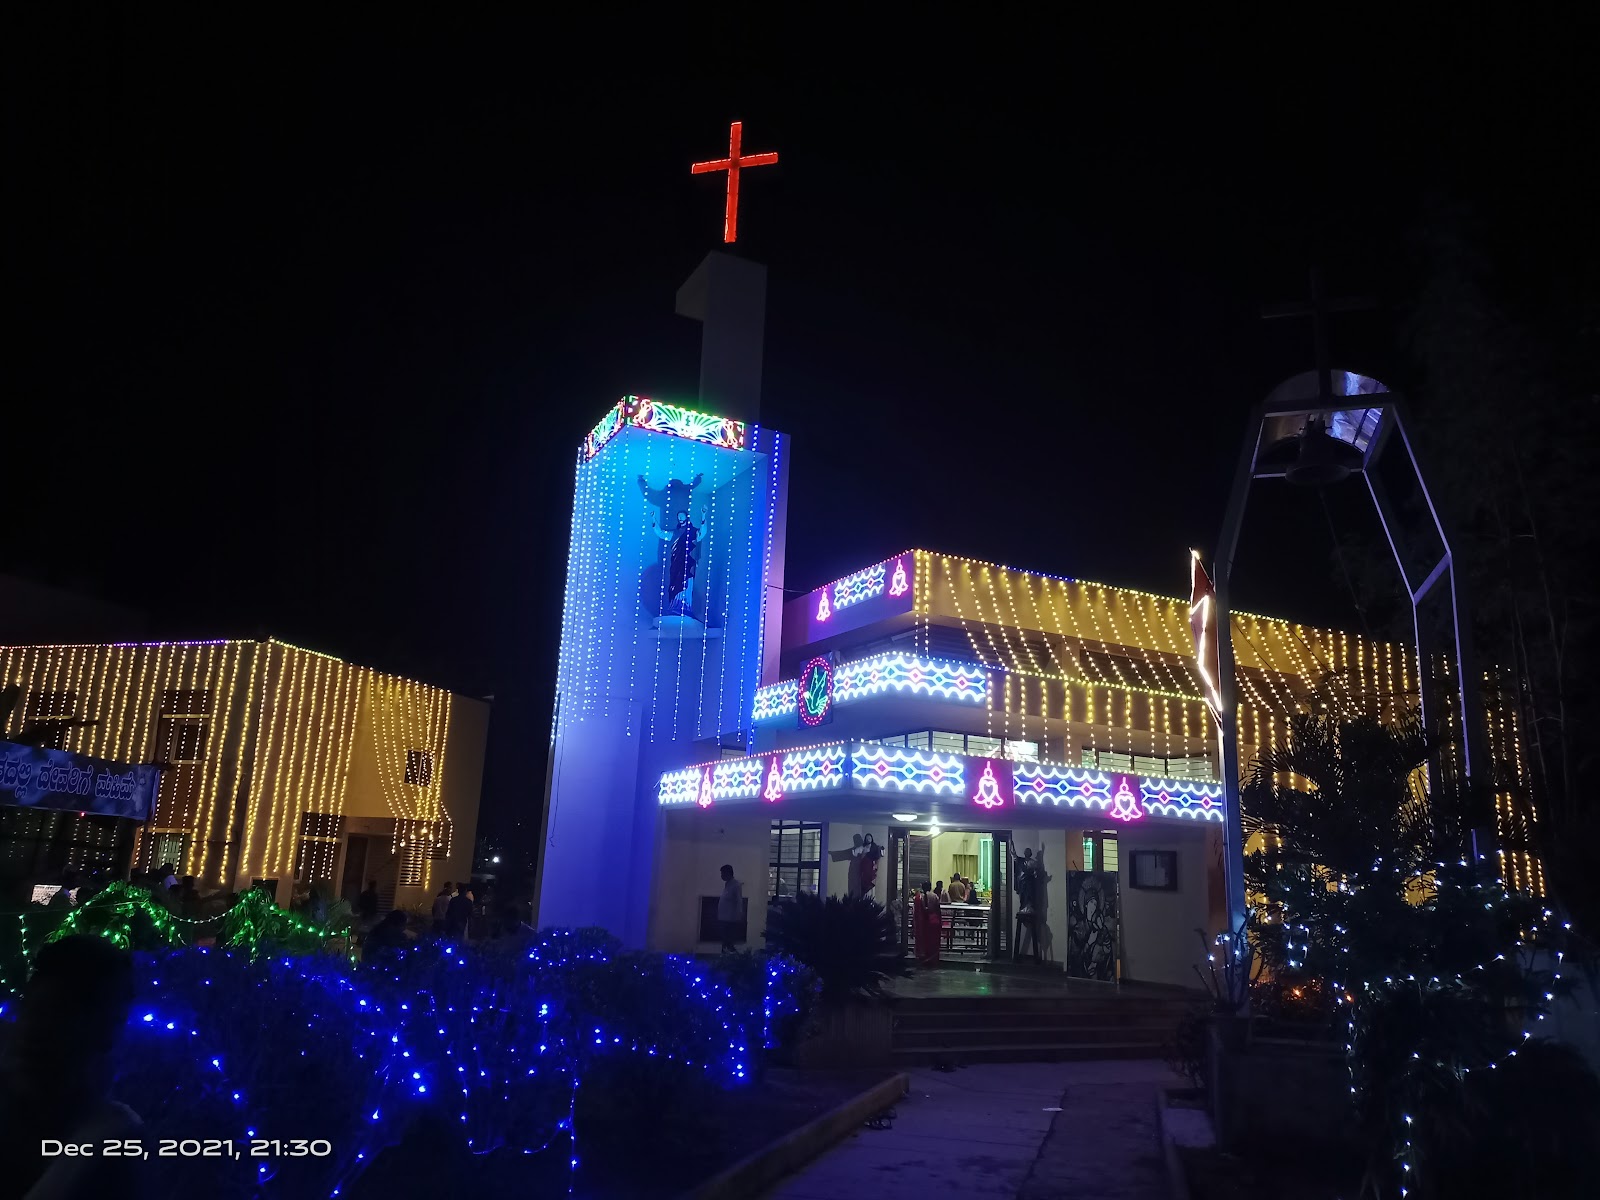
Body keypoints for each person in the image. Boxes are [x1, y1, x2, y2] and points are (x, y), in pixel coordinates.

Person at [0, 935, 143, 1199]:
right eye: (31, 1010)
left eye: (57, 1015)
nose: (31, 1031)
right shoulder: (110, 1131)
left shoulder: (111, 1136)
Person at [716, 864, 743, 953]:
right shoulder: (727, 884)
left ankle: (731, 959)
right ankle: (725, 958)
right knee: (725, 941)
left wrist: (738, 916)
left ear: (728, 873)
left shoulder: (736, 885)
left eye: (722, 874)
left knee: (728, 942)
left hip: (730, 919)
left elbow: (738, 901)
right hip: (724, 918)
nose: (721, 876)